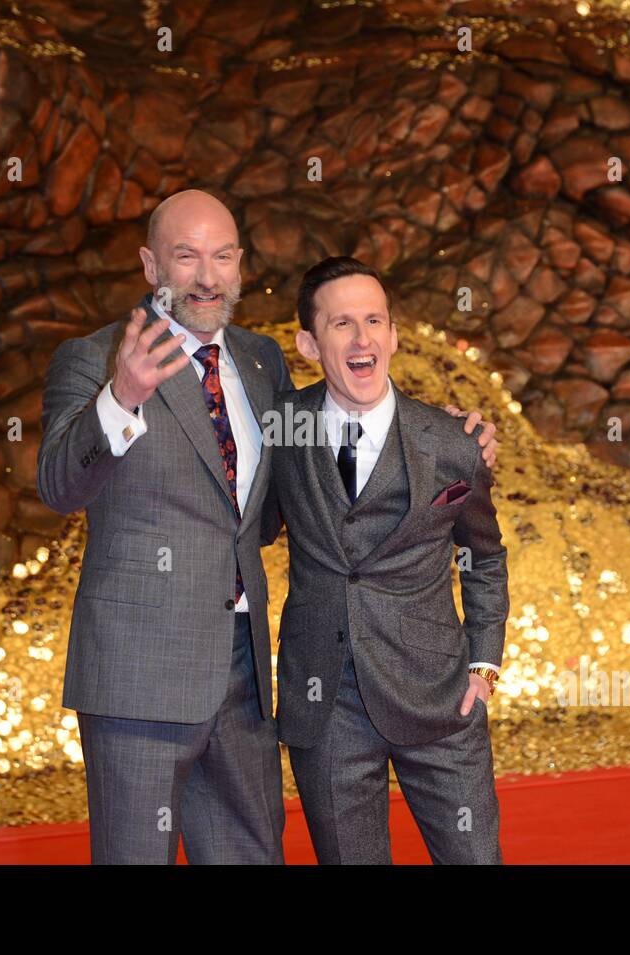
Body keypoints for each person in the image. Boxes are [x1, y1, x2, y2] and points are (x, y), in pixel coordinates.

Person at [36, 190, 497, 863]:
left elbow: (305, 484)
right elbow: (58, 484)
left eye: (221, 255)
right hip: (142, 674)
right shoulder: (95, 358)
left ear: (240, 266)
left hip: (247, 677)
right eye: (185, 255)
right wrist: (122, 397)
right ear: (149, 264)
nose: (205, 274)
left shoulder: (261, 363)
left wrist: (453, 441)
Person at [264, 256, 510, 864]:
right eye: (342, 324)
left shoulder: (454, 442)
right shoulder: (279, 429)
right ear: (308, 343)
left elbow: (483, 556)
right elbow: (255, 521)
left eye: (374, 320)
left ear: (394, 336)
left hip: (440, 696)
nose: (362, 337)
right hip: (327, 703)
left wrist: (484, 663)